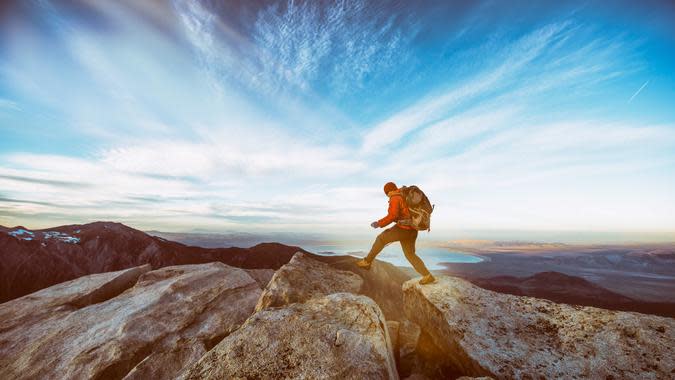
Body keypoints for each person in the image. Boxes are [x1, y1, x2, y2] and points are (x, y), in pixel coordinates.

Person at [356, 181, 436, 285]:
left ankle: (366, 262)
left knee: (381, 239)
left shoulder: (395, 197)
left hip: (403, 229)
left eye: (386, 193)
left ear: (388, 192)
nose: (387, 196)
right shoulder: (404, 195)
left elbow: (392, 215)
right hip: (413, 229)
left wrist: (378, 223)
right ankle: (427, 275)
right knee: (410, 254)